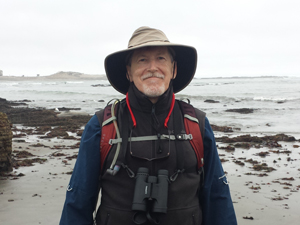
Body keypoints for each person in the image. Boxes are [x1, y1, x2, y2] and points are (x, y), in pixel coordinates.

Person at [60, 26, 237, 225]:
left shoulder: (197, 124)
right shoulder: (102, 126)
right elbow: (78, 201)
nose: (152, 67)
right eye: (142, 60)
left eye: (161, 58)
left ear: (174, 69)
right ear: (128, 71)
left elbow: (217, 197)